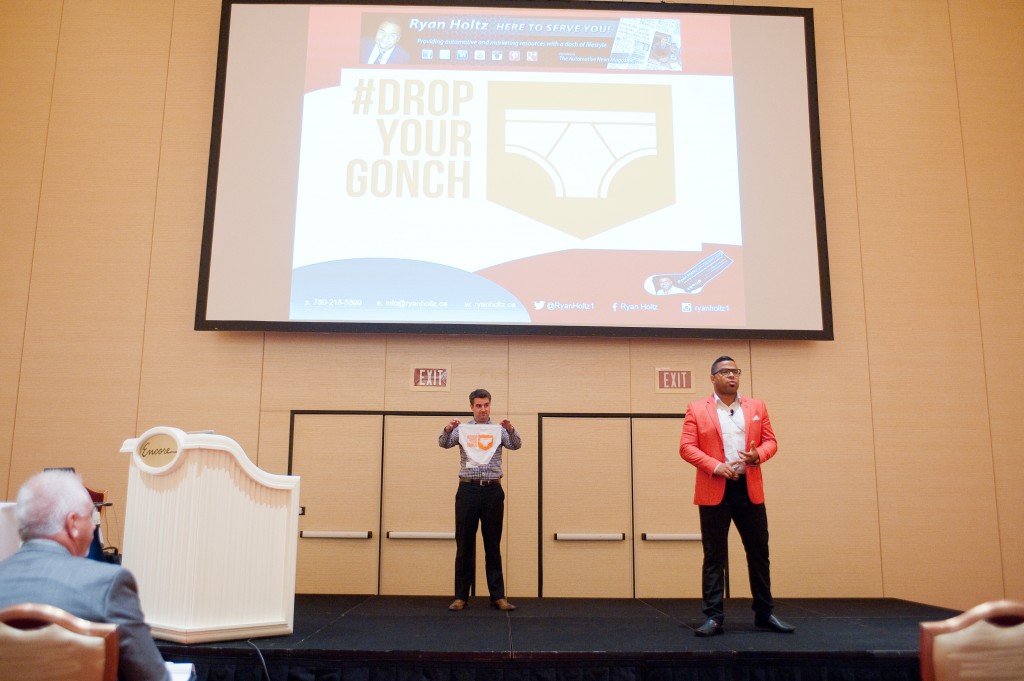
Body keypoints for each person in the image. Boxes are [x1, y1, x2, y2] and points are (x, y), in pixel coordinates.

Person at [0, 470, 170, 680]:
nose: (93, 527)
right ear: (72, 524)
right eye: (91, 517)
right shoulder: (107, 585)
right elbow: (152, 677)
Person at [678, 356, 795, 637]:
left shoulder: (757, 407)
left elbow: (771, 441)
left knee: (759, 553)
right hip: (714, 488)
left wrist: (759, 455)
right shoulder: (697, 409)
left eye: (736, 371)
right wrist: (716, 467)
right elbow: (686, 447)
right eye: (725, 372)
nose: (732, 376)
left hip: (748, 488)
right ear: (713, 378)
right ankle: (714, 617)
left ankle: (765, 614)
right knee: (714, 555)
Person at [438, 388, 522, 611]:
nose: (483, 409)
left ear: (490, 406)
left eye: (486, 405)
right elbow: (443, 442)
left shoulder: (498, 430)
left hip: (493, 491)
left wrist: (510, 429)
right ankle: (460, 597)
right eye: (478, 406)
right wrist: (448, 428)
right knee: (464, 544)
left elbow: (516, 444)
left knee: (492, 544)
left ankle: (498, 596)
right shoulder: (463, 430)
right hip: (468, 490)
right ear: (471, 407)